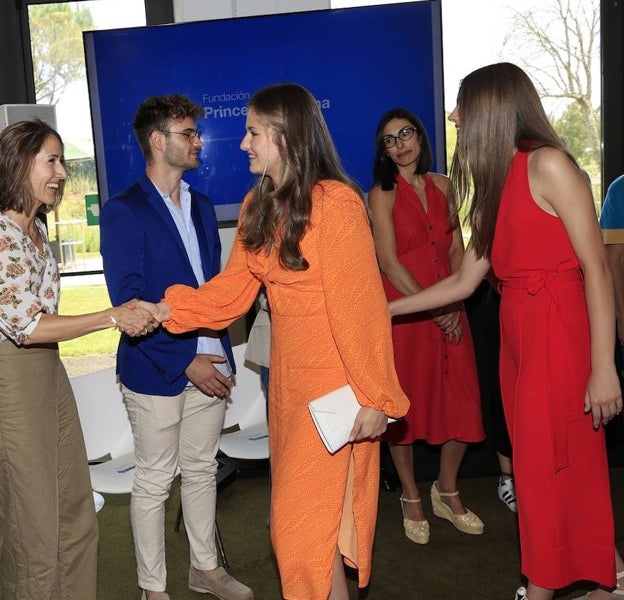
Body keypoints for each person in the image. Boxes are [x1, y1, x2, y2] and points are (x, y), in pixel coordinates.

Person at [137, 82, 410, 600]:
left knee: (298, 531)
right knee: (313, 533)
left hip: (334, 390)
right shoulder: (257, 202)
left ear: (286, 137)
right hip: (286, 387)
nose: (243, 143)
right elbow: (231, 293)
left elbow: (362, 311)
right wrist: (167, 309)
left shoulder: (336, 204)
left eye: (253, 132)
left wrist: (378, 396)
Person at [387, 63, 621, 600]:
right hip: (519, 338)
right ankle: (608, 580)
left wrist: (604, 368)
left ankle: (541, 587)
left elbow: (596, 269)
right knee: (548, 468)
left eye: (462, 106)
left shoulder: (550, 165)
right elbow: (465, 280)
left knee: (548, 470)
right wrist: (389, 310)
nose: (452, 117)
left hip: (557, 334)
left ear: (492, 108)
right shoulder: (498, 180)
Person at [100, 95, 252, 600]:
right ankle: (154, 590)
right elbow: (128, 302)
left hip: (211, 358)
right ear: (157, 140)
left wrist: (210, 353)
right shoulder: (123, 211)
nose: (197, 141)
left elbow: (210, 290)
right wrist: (186, 362)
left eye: (195, 133)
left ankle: (205, 571)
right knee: (154, 480)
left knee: (203, 469)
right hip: (156, 368)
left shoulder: (203, 206)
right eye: (187, 133)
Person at [0, 118, 154, 600]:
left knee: (76, 516)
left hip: (50, 372)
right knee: (35, 530)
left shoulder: (37, 229)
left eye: (62, 160)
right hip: (14, 379)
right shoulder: (1, 235)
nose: (63, 172)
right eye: (52, 160)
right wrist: (112, 317)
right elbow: (27, 328)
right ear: (18, 163)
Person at [368, 108, 484, 544]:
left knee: (462, 399)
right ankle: (411, 495)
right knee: (405, 406)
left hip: (450, 305)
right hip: (405, 313)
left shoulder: (445, 186)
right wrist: (433, 307)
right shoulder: (381, 194)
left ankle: (447, 489)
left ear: (420, 137)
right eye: (390, 140)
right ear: (383, 151)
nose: (400, 144)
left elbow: (457, 247)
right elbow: (388, 261)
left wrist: (454, 300)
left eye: (406, 134)